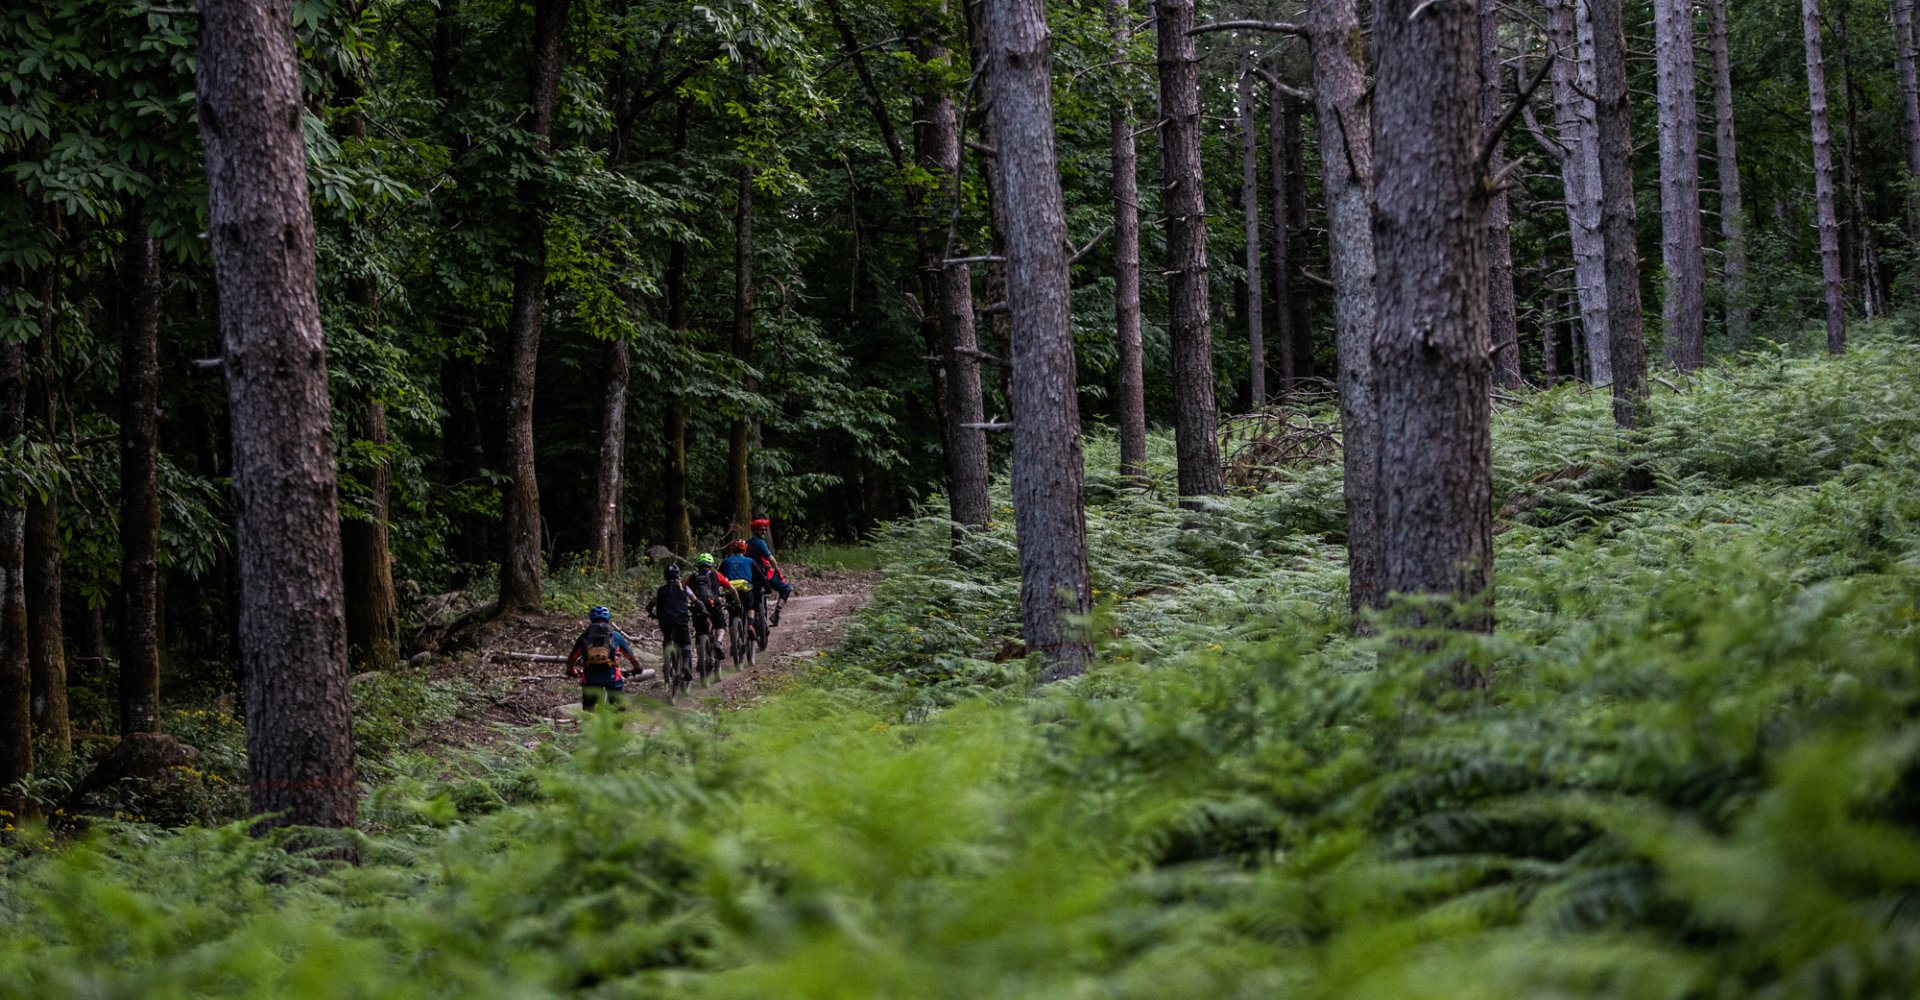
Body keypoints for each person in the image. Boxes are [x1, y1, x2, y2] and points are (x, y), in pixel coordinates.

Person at [566, 606, 641, 711]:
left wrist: (571, 671)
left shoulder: (584, 637)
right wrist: (637, 668)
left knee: (588, 708)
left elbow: (571, 659)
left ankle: (589, 722)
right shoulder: (615, 636)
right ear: (608, 618)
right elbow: (633, 658)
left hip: (590, 678)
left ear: (591, 619)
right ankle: (618, 724)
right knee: (619, 707)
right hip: (612, 677)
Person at [645, 563, 695, 688]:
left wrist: (651, 612)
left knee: (667, 639)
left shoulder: (660, 590)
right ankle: (685, 665)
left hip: (665, 621)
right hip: (681, 621)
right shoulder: (684, 588)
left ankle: (666, 663)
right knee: (686, 643)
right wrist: (703, 609)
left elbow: (650, 605)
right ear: (678, 575)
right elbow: (696, 601)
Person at [686, 552, 733, 657]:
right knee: (721, 625)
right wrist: (736, 601)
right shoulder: (716, 574)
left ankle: (700, 659)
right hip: (713, 605)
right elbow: (731, 588)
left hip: (697, 607)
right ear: (711, 564)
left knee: (699, 633)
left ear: (698, 564)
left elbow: (684, 589)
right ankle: (718, 643)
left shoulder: (693, 576)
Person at [747, 518, 793, 620]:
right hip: (763, 574)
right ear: (755, 531)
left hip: (749, 575)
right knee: (786, 588)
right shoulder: (760, 542)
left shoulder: (747, 543)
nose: (764, 532)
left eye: (765, 529)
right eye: (761, 530)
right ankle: (776, 614)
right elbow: (770, 558)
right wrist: (777, 570)